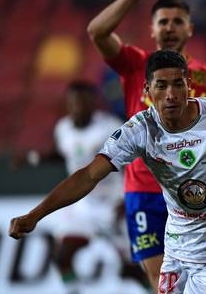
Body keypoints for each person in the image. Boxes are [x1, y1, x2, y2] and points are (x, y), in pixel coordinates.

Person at [9, 50, 206, 294]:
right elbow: (88, 175)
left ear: (190, 86)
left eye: (178, 84)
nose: (171, 94)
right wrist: (34, 215)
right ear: (148, 91)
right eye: (161, 86)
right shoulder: (139, 130)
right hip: (177, 243)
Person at [87, 0, 206, 291]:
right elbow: (97, 32)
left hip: (194, 192)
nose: (170, 27)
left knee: (199, 280)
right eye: (163, 21)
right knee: (160, 282)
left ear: (190, 28)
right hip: (145, 190)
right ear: (152, 29)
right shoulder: (136, 65)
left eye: (178, 21)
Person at [52, 81, 125, 291]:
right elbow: (64, 153)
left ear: (94, 104)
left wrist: (127, 199)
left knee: (132, 267)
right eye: (74, 102)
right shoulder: (62, 128)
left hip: (113, 202)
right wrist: (33, 158)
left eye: (83, 102)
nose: (78, 107)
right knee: (62, 256)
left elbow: (133, 161)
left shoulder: (110, 127)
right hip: (84, 204)